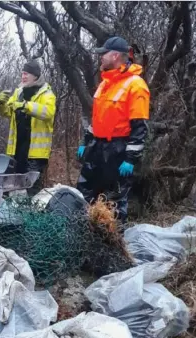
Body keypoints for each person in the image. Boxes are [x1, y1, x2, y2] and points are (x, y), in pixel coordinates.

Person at [76, 36, 150, 223]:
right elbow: (97, 120)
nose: (101, 57)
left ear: (116, 56)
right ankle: (82, 240)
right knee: (84, 193)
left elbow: (139, 126)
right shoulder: (104, 84)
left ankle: (112, 246)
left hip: (118, 150)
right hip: (97, 148)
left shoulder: (136, 85)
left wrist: (130, 159)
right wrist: (86, 142)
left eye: (104, 54)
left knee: (113, 202)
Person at [0, 59, 56, 183]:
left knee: (31, 190)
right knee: (13, 187)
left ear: (35, 76)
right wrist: (1, 104)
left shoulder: (47, 94)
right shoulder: (18, 92)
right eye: (22, 73)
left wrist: (25, 106)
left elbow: (48, 112)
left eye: (26, 74)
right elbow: (8, 112)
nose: (23, 76)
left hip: (35, 154)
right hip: (17, 150)